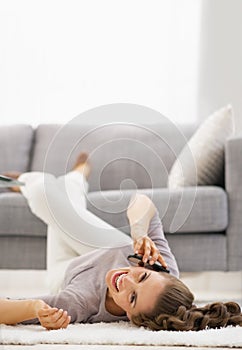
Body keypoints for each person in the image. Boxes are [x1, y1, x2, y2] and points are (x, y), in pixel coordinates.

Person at [0, 154, 241, 331]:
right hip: (102, 250)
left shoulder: (81, 303)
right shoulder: (156, 261)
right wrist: (139, 232)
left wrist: (33, 308)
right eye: (143, 277)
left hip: (65, 271)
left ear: (132, 318)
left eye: (133, 298)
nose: (126, 281)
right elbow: (142, 202)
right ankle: (65, 180)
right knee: (45, 195)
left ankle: (71, 179)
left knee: (53, 196)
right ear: (155, 269)